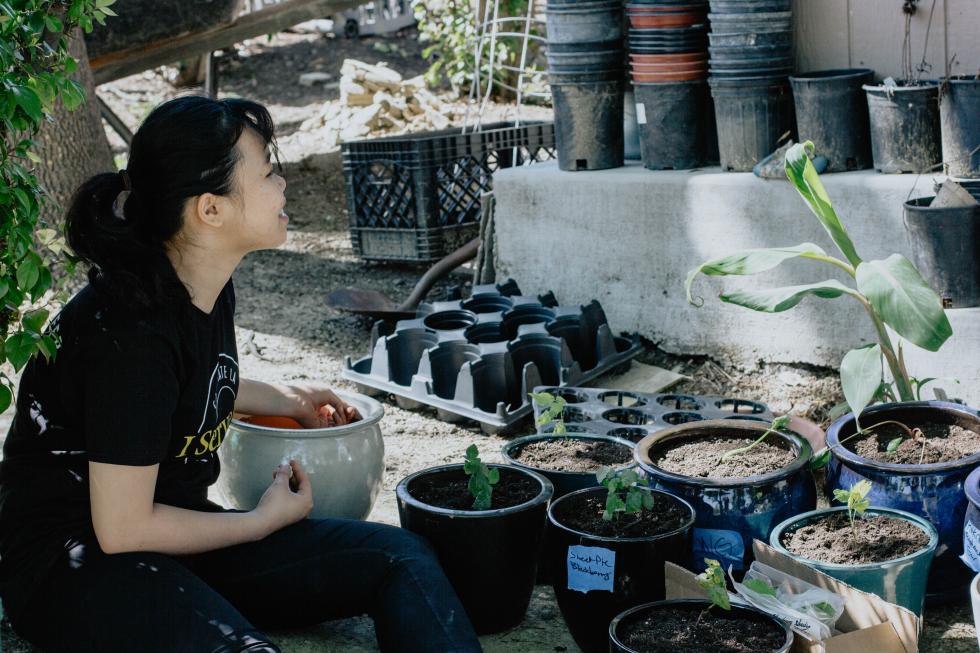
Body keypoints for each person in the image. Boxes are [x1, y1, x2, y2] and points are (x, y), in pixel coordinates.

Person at [0, 95, 482, 653]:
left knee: (400, 557)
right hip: (75, 567)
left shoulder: (199, 281)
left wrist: (288, 398)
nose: (283, 187)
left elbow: (184, 389)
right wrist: (260, 521)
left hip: (175, 534)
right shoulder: (128, 334)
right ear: (210, 209)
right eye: (270, 173)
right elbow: (122, 528)